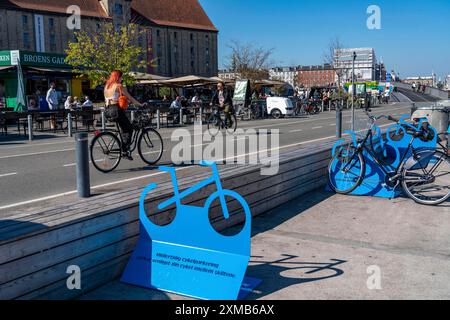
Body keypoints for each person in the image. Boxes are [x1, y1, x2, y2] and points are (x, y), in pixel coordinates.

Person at [104, 70, 143, 160]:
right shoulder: (119, 86)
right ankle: (125, 151)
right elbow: (130, 97)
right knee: (129, 129)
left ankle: (123, 147)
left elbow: (115, 98)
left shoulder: (107, 86)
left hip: (108, 111)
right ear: (118, 77)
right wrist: (140, 104)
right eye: (121, 77)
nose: (122, 79)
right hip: (116, 110)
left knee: (123, 128)